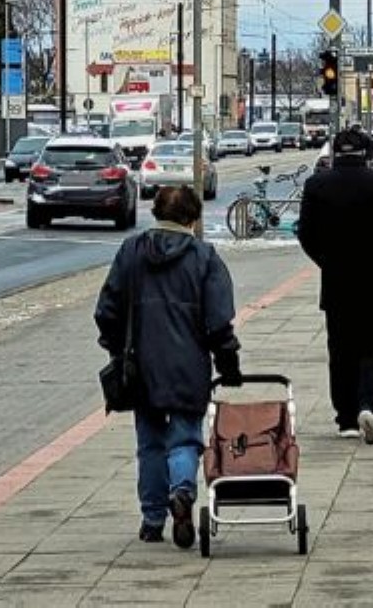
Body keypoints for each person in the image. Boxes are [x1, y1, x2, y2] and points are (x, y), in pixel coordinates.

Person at [94, 185, 242, 549]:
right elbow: (219, 321)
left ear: (156, 212)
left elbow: (107, 309)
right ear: (193, 217)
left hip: (140, 365)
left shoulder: (131, 251)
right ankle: (182, 492)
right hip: (188, 367)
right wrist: (228, 363)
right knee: (185, 438)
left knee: (149, 443)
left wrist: (117, 350)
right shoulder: (204, 257)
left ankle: (152, 519)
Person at [297, 125, 373, 445]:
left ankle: (346, 418)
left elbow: (305, 234)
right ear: (367, 154)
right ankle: (370, 406)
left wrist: (327, 261)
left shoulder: (316, 185)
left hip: (337, 284)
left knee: (341, 350)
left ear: (335, 153)